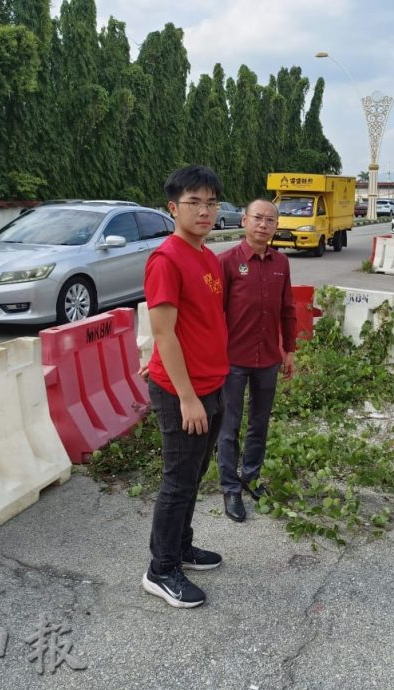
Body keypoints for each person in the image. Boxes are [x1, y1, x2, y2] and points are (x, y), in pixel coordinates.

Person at [141, 165, 228, 608]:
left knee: (193, 476)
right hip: (184, 395)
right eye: (194, 202)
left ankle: (181, 546)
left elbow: (195, 325)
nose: (204, 210)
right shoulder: (167, 258)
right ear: (173, 208)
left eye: (211, 202)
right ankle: (161, 569)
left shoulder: (206, 256)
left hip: (212, 385)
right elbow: (164, 333)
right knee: (177, 480)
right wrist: (188, 397)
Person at [217, 198, 296, 522]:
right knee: (229, 425)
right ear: (245, 221)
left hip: (267, 359)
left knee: (259, 423)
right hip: (232, 359)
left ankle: (250, 476)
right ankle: (230, 488)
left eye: (270, 221)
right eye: (258, 219)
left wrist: (288, 350)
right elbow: (215, 314)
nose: (264, 225)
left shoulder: (281, 263)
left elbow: (287, 310)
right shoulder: (227, 262)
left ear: (276, 226)